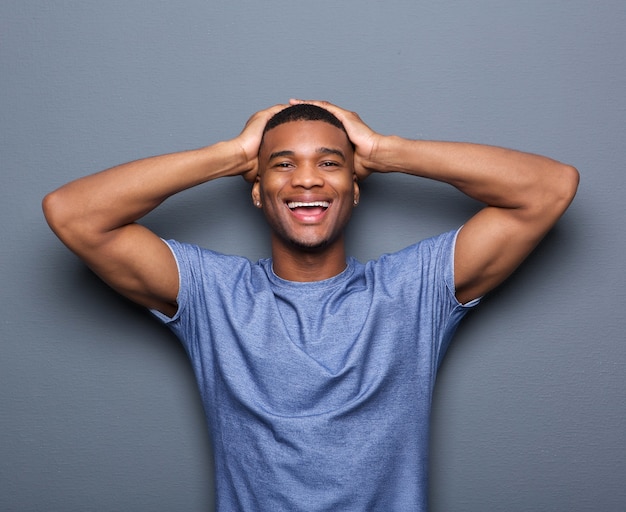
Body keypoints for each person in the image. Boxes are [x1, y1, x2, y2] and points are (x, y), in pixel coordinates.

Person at [42, 99, 579, 511]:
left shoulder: (412, 290)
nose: (306, 179)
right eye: (281, 164)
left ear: (355, 187)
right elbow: (73, 213)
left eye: (329, 163)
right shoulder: (212, 294)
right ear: (256, 190)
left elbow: (549, 188)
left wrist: (382, 150)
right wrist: (232, 154)